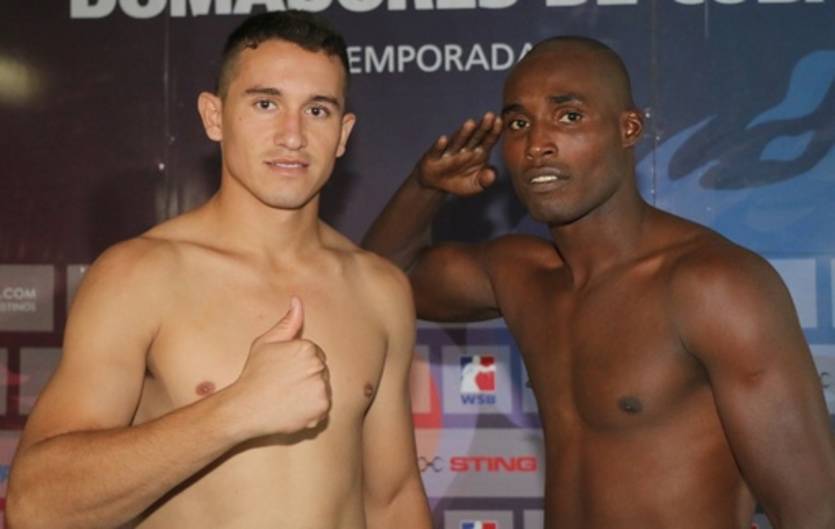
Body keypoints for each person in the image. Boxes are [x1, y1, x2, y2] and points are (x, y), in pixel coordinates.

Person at [363, 36, 835, 529]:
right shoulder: (523, 276)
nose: (537, 145)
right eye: (519, 124)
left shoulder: (713, 286)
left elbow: (813, 510)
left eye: (568, 117)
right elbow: (379, 282)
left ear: (628, 128)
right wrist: (424, 189)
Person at [6, 11, 431, 529]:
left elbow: (392, 499)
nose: (292, 135)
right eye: (266, 103)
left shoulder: (381, 288)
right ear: (214, 116)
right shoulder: (139, 275)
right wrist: (236, 410)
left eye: (317, 110)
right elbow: (36, 507)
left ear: (342, 134)